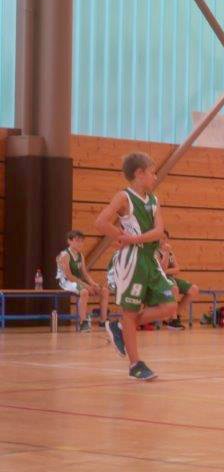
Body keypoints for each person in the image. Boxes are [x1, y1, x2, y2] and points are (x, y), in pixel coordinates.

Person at [94, 152, 178, 381]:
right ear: (139, 173)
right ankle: (135, 364)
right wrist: (120, 237)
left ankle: (121, 327)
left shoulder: (154, 200)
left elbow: (159, 231)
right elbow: (101, 221)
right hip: (132, 260)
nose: (155, 177)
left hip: (149, 258)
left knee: (170, 305)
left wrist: (133, 238)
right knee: (130, 313)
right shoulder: (124, 197)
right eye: (152, 173)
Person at [56, 230, 110, 333]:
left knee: (104, 291)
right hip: (65, 281)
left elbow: (84, 273)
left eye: (81, 241)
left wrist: (93, 284)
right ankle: (83, 322)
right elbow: (69, 276)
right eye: (77, 241)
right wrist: (86, 286)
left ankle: (103, 321)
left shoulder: (80, 255)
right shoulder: (64, 255)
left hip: (77, 281)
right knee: (84, 292)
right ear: (69, 241)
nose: (80, 243)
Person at [157, 230, 199, 330]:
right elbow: (161, 270)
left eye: (165, 238)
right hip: (159, 279)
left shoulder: (170, 252)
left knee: (194, 289)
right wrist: (166, 254)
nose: (162, 240)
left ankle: (173, 315)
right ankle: (173, 320)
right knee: (174, 288)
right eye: (160, 238)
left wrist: (167, 271)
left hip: (169, 277)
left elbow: (177, 269)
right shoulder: (155, 252)